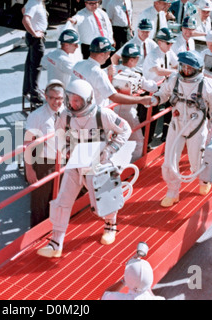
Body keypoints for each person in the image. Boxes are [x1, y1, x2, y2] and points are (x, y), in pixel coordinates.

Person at [36, 79, 132, 258]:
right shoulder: (65, 116)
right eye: (70, 99)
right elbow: (59, 136)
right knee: (62, 201)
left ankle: (110, 225)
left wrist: (110, 150)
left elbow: (124, 129)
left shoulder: (102, 114)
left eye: (77, 100)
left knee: (103, 198)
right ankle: (56, 242)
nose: (73, 104)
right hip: (75, 162)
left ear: (87, 100)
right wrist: (66, 151)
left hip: (97, 163)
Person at [149, 51, 212, 207]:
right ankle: (172, 192)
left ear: (198, 69)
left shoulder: (206, 84)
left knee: (197, 161)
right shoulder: (174, 79)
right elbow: (163, 93)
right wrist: (155, 99)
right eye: (184, 67)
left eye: (190, 69)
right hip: (177, 125)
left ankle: (203, 181)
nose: (186, 71)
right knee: (169, 162)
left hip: (197, 126)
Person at [24, 80, 65, 228]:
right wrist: (29, 168)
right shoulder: (37, 116)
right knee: (39, 203)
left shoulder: (67, 112)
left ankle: (53, 229)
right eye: (53, 98)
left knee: (58, 200)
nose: (56, 102)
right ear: (46, 97)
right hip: (43, 163)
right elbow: (28, 144)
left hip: (62, 162)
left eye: (59, 98)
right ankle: (37, 234)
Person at [72, 36, 153, 108]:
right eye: (108, 54)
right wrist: (141, 99)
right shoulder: (98, 73)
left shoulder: (79, 64)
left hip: (76, 108)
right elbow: (114, 97)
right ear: (102, 54)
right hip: (94, 114)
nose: (108, 57)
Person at [113, 43, 158, 161]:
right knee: (138, 142)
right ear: (132, 60)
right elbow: (153, 87)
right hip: (128, 114)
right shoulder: (135, 75)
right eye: (137, 58)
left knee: (112, 142)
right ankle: (132, 169)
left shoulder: (111, 70)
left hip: (111, 111)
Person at [142, 27, 178, 146]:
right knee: (149, 119)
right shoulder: (154, 55)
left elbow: (177, 64)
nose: (170, 45)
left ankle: (164, 136)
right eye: (168, 43)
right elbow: (158, 71)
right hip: (150, 90)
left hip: (163, 88)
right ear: (160, 42)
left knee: (168, 110)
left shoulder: (168, 52)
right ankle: (145, 143)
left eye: (172, 42)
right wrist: (174, 72)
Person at [22, 0, 48, 105]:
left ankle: (27, 89)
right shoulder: (34, 3)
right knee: (36, 66)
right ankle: (34, 93)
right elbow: (25, 19)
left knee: (30, 63)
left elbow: (23, 10)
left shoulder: (36, 2)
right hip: (36, 39)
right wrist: (34, 33)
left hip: (35, 37)